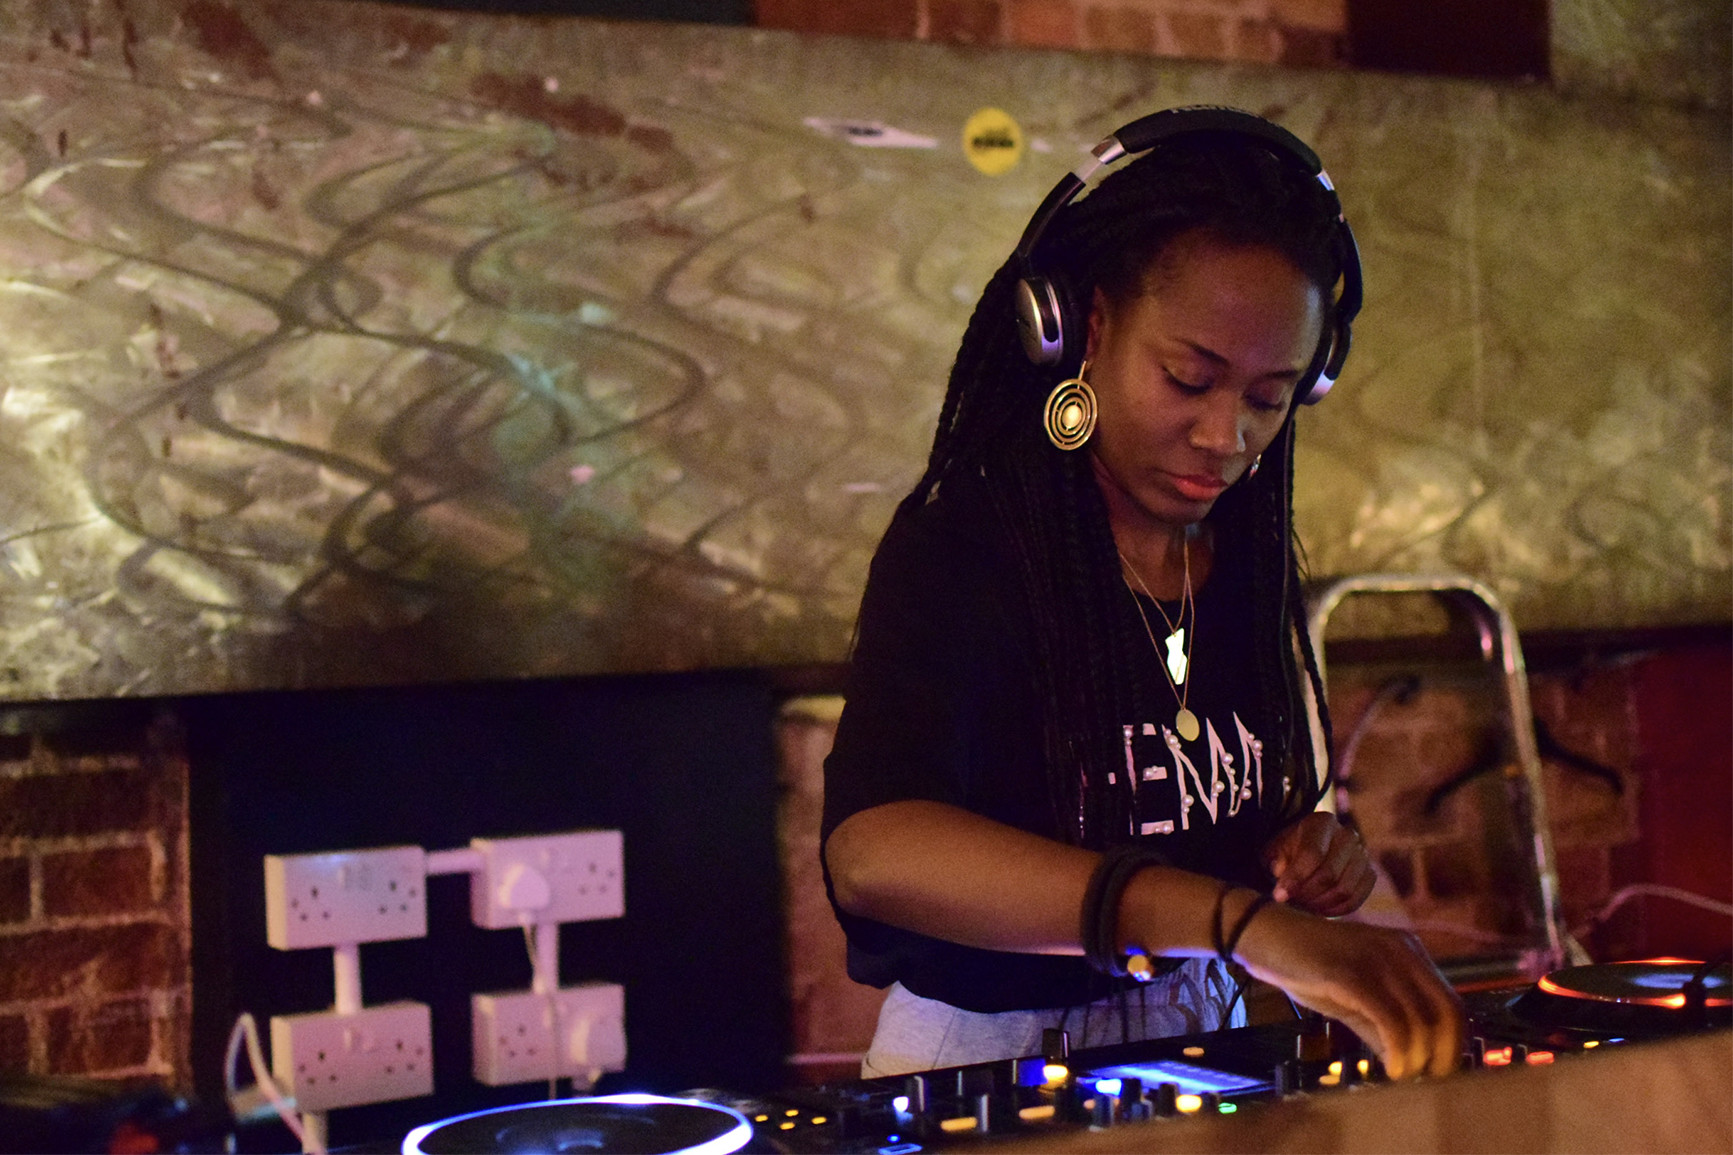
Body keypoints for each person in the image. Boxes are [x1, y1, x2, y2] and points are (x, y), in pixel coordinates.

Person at [821, 107, 1465, 1082]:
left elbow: (1199, 815)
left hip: (1207, 1037)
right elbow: (874, 853)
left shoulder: (1242, 559)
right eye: (1188, 378)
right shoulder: (967, 545)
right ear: (1083, 328)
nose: (1225, 436)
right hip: (993, 1060)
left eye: (1267, 398)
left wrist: (1302, 853)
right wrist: (1227, 920)